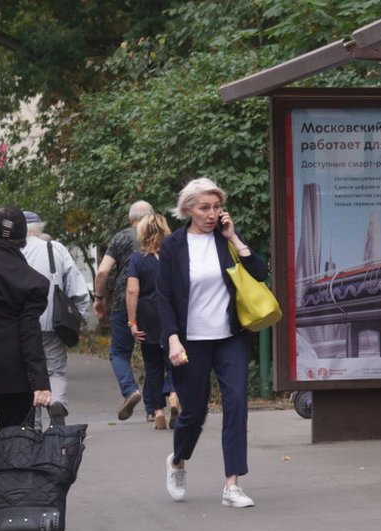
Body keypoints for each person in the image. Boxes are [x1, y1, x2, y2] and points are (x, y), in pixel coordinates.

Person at [158, 177, 267, 508]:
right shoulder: (173, 246)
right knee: (194, 411)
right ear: (188, 208)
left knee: (236, 403)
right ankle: (177, 460)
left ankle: (232, 484)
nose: (212, 213)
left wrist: (233, 236)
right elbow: (164, 298)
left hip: (229, 337)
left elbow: (260, 272)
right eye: (205, 207)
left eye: (216, 207)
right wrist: (173, 339)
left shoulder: (226, 240)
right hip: (191, 341)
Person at [0, 206, 52, 469]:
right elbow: (29, 332)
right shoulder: (32, 282)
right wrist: (40, 382)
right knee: (15, 444)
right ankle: (6, 506)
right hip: (13, 373)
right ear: (22, 240)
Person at [20, 211, 91, 426]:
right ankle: (57, 401)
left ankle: (34, 424)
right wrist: (81, 316)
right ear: (40, 228)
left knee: (27, 373)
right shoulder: (55, 248)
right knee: (55, 370)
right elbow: (76, 286)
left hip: (22, 324)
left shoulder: (13, 251)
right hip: (53, 322)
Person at [94, 200, 154, 421]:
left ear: (131, 219)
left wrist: (98, 298)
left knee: (119, 352)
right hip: (154, 301)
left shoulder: (120, 237)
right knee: (154, 354)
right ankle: (153, 409)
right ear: (152, 216)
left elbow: (102, 272)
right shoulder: (160, 236)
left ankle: (130, 390)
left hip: (123, 300)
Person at [126, 213, 179, 430]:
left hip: (148, 317)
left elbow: (132, 290)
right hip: (172, 315)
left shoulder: (137, 259)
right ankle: (175, 395)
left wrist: (132, 323)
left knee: (153, 366)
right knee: (175, 361)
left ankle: (158, 412)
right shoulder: (174, 255)